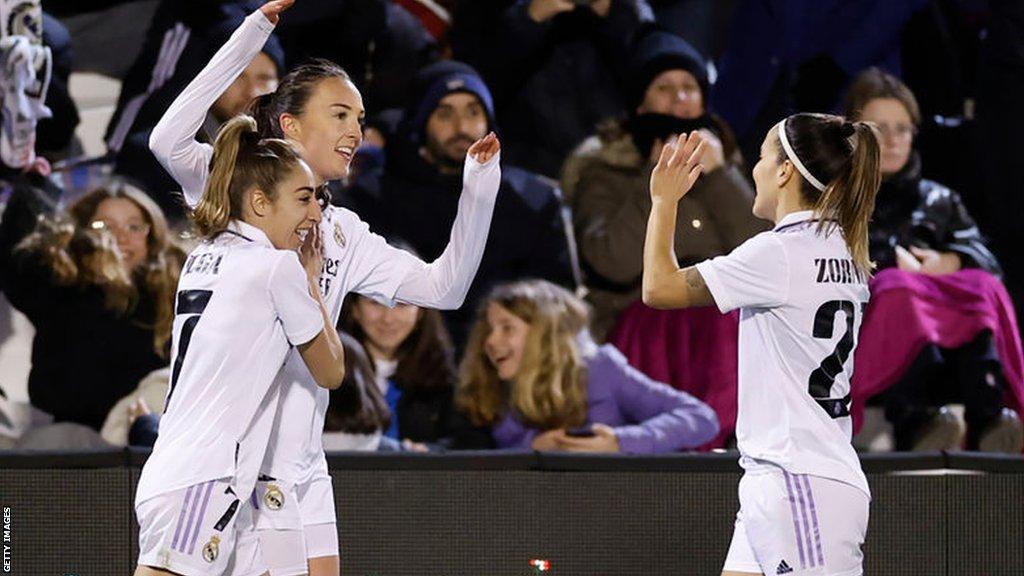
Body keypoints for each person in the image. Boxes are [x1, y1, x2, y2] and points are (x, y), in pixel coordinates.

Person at [148, 2, 502, 574]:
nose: (355, 131)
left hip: (300, 468)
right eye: (339, 115)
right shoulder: (241, 187)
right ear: (290, 125)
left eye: (360, 119)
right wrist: (253, 33)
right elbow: (168, 139)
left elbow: (448, 287)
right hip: (222, 462)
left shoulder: (344, 233)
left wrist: (479, 189)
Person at [642, 117, 881, 574]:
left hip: (799, 481)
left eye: (761, 157)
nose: (754, 169)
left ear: (785, 171)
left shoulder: (779, 251)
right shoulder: (846, 247)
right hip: (790, 479)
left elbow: (659, 288)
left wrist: (663, 201)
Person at [134, 115, 346, 576]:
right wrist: (311, 279)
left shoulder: (202, 257)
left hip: (190, 471)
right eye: (305, 198)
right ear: (259, 202)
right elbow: (331, 371)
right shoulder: (277, 269)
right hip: (204, 478)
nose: (316, 214)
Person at [842, 68, 1023, 452]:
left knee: (982, 287)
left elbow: (989, 263)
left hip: (947, 326)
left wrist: (951, 262)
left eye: (903, 128)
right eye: (879, 127)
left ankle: (990, 418)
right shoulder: (837, 200)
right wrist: (892, 263)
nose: (892, 140)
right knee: (899, 288)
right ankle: (915, 418)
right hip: (867, 321)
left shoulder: (940, 198)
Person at [346, 60, 576, 348]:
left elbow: (557, 296)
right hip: (410, 353)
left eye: (474, 111)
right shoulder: (375, 195)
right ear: (420, 121)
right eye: (444, 113)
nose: (462, 126)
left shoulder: (532, 198)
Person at [561, 27, 766, 339]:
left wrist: (720, 177)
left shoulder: (725, 160)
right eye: (664, 88)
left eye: (689, 87)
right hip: (639, 327)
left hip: (724, 322)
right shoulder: (604, 167)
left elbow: (760, 254)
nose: (680, 98)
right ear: (640, 105)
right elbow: (611, 262)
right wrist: (656, 182)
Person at [0, 176, 183, 432]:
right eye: (104, 226)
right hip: (76, 443)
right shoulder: (62, 288)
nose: (120, 237)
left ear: (152, 235)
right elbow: (16, 259)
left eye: (134, 227)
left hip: (150, 434)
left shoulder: (177, 294)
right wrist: (33, 183)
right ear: (83, 232)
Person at [457, 279, 719, 453]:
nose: (490, 341)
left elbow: (700, 417)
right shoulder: (491, 384)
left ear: (545, 333)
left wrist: (619, 442)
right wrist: (534, 446)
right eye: (489, 329)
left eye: (507, 328)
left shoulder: (600, 370)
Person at [107, 0, 286, 222]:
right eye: (238, 77)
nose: (251, 91)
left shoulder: (294, 153)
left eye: (265, 78)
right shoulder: (150, 158)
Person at [342, 291, 475, 448]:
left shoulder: (448, 373)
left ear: (421, 312)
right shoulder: (328, 373)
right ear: (354, 309)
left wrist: (428, 451)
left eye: (402, 304)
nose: (388, 318)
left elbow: (468, 440)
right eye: (375, 303)